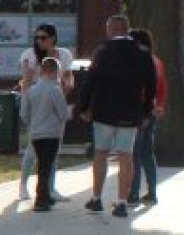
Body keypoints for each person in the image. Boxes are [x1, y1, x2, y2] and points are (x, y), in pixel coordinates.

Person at [78, 14, 156, 218]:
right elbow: (151, 86)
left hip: (104, 112)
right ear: (127, 29)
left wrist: (83, 107)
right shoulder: (143, 54)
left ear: (111, 30)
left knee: (101, 154)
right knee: (126, 156)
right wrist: (146, 111)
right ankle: (122, 201)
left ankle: (96, 198)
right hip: (131, 112)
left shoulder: (102, 52)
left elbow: (90, 81)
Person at [15, 24, 73, 201]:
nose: (39, 41)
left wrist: (64, 94)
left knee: (53, 150)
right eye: (37, 38)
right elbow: (25, 82)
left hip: (55, 103)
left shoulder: (64, 54)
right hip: (37, 104)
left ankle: (50, 187)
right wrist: (26, 108)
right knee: (33, 148)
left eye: (43, 38)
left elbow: (68, 78)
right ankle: (23, 186)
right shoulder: (29, 55)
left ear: (53, 38)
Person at [23, 55, 71, 210]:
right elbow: (63, 114)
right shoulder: (55, 90)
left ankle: (46, 196)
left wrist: (32, 123)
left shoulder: (31, 90)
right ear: (54, 71)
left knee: (42, 165)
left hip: (35, 133)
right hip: (51, 133)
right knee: (46, 166)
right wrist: (71, 110)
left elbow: (24, 113)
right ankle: (41, 199)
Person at [127, 28, 166, 204]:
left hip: (139, 111)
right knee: (147, 153)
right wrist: (159, 106)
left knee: (134, 154)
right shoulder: (157, 61)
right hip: (152, 111)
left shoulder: (137, 61)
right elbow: (163, 86)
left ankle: (133, 193)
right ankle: (152, 192)